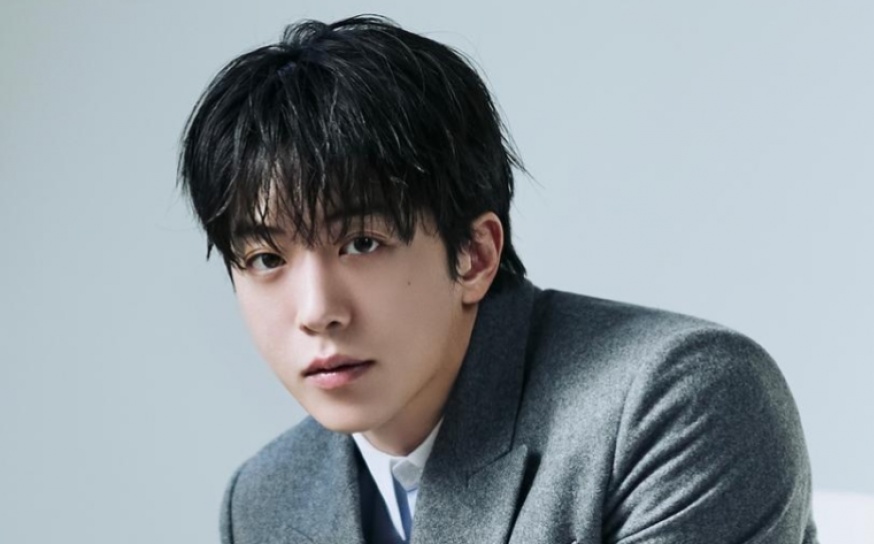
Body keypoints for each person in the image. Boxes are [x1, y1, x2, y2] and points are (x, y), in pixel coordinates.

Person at [179, 15, 818, 544]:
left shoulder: (680, 403)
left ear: (474, 256)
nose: (317, 311)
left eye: (362, 243)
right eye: (266, 259)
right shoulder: (265, 498)